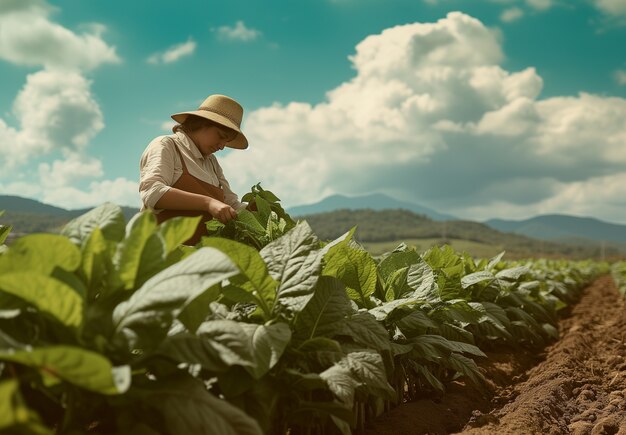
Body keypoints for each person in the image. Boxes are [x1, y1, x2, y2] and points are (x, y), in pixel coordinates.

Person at [139, 94, 248, 245]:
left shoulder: (212, 162)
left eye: (226, 141)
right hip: (160, 253)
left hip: (196, 259)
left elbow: (231, 204)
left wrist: (262, 209)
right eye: (220, 136)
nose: (222, 146)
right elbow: (152, 192)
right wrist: (208, 203)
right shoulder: (167, 145)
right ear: (202, 123)